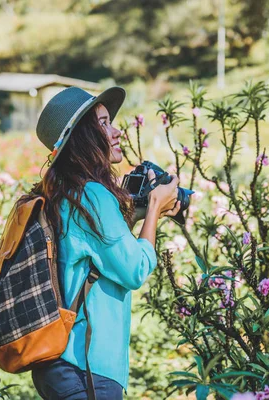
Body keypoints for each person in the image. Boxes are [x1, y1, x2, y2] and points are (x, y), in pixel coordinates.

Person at [28, 86, 180, 399]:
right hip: (86, 364)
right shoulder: (93, 196)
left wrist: (132, 217)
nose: (116, 131)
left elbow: (96, 257)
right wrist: (154, 208)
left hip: (58, 365)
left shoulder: (62, 192)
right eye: (103, 123)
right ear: (81, 138)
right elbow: (134, 270)